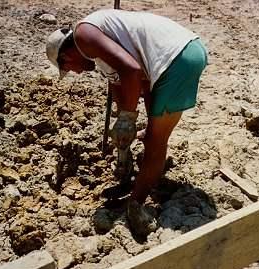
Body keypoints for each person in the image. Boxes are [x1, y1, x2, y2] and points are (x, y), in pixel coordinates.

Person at [46, 9, 207, 238]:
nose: (76, 72)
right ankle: (146, 174)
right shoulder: (97, 50)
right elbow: (120, 82)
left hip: (178, 57)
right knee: (151, 130)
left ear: (67, 55)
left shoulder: (84, 35)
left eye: (68, 68)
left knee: (155, 140)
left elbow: (131, 70)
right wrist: (123, 141)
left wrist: (128, 118)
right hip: (169, 57)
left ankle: (136, 204)